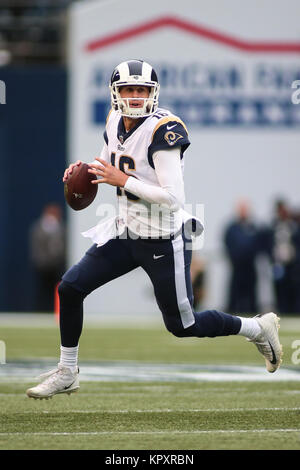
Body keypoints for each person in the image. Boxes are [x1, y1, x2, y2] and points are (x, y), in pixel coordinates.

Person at [26, 60, 282, 399]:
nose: (134, 96)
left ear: (153, 93)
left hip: (164, 239)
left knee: (183, 326)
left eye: (141, 90)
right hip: (126, 231)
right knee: (71, 288)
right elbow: (109, 161)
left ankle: (257, 327)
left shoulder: (165, 130)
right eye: (129, 89)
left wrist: (125, 181)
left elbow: (173, 198)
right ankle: (67, 371)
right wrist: (86, 170)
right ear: (116, 93)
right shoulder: (115, 119)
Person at [224, 200, 259, 314]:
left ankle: (253, 313)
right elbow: (228, 244)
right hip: (237, 266)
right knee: (235, 292)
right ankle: (232, 313)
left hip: (250, 266)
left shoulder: (253, 227)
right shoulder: (232, 228)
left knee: (251, 292)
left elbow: (258, 244)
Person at [29, 203, 66, 312]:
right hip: (43, 266)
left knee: (59, 290)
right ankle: (41, 312)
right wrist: (41, 262)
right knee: (42, 291)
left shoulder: (61, 228)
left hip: (57, 266)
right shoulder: (39, 228)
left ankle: (57, 311)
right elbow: (37, 247)